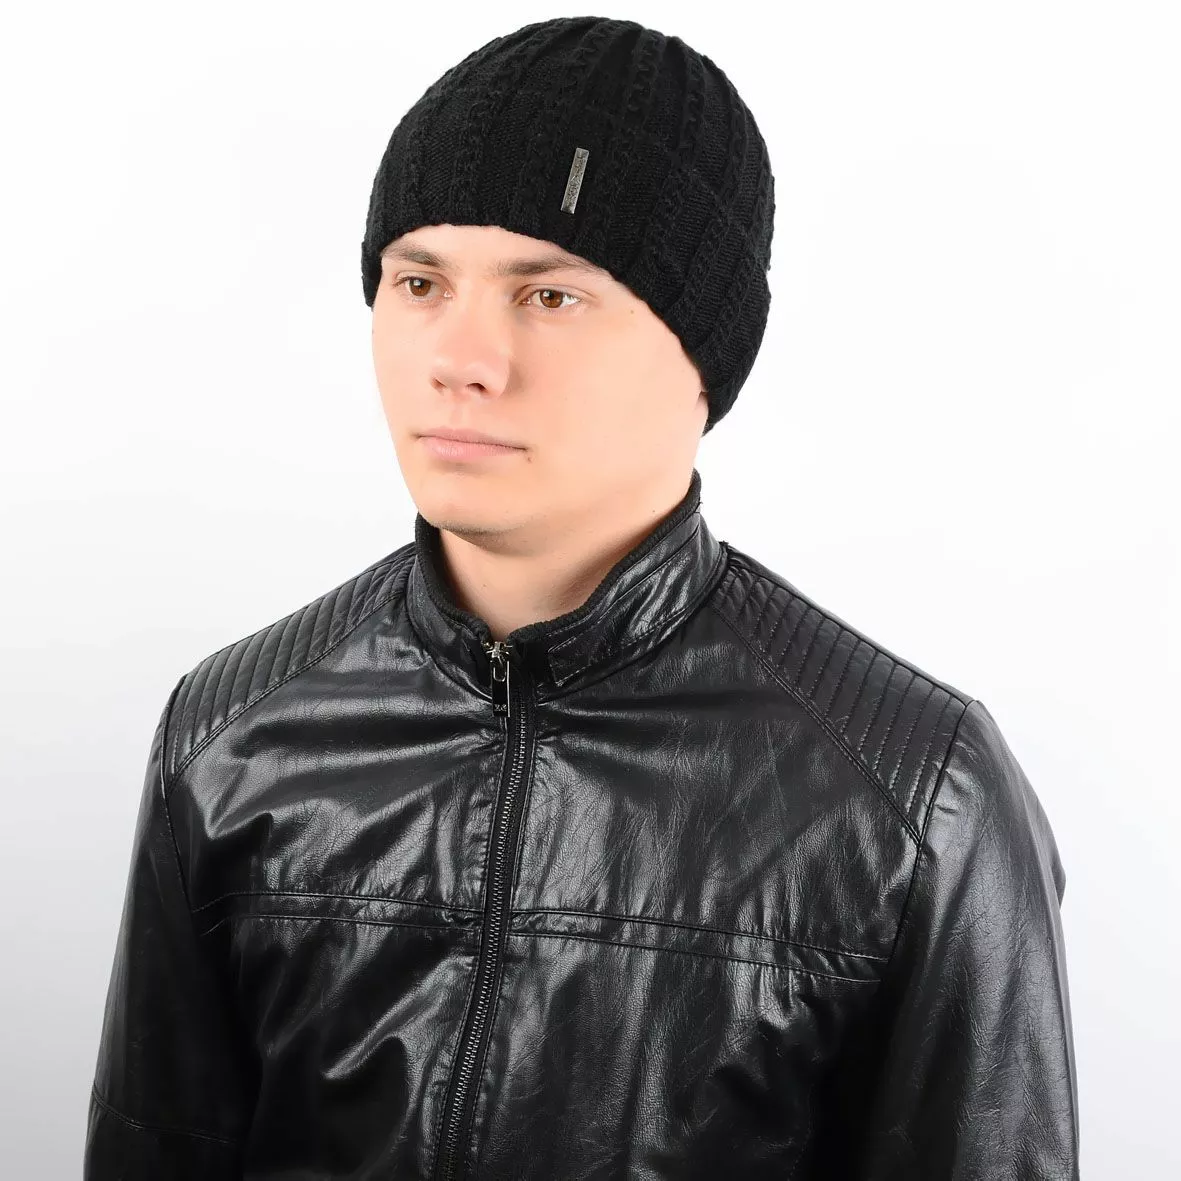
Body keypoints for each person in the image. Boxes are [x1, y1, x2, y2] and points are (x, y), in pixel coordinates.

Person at [84, 15, 1079, 1180]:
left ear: (703, 354)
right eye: (418, 281)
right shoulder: (230, 736)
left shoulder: (915, 797)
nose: (461, 358)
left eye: (548, 295)